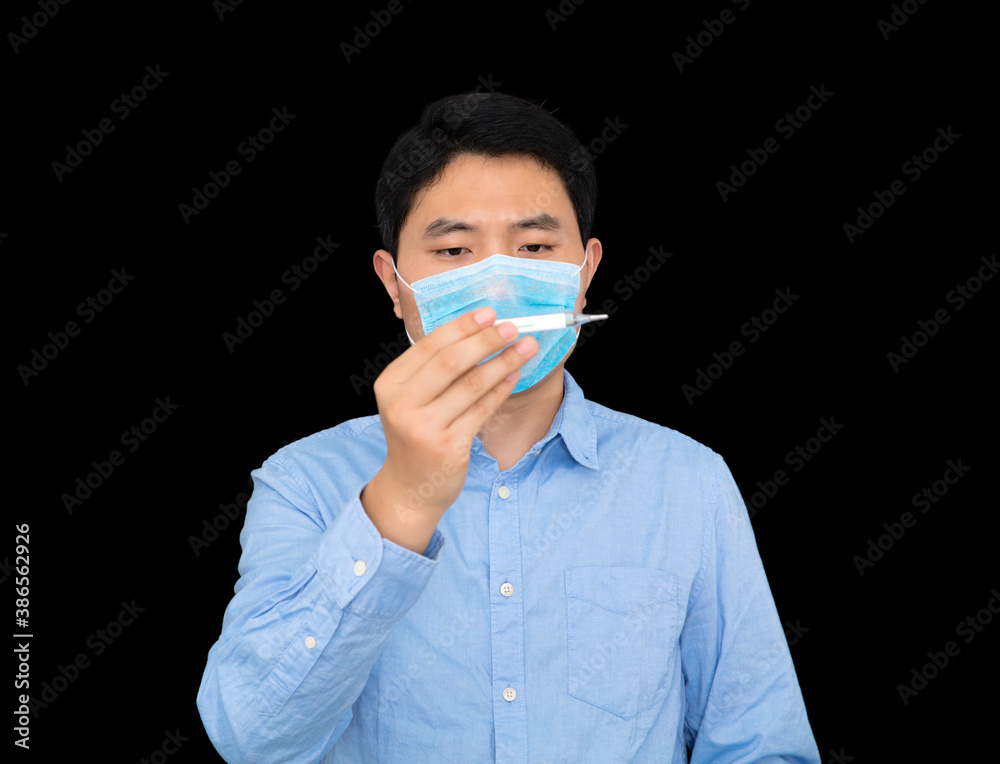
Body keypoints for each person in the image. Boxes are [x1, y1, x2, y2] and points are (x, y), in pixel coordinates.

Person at [197, 91, 821, 763]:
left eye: (534, 246)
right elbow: (253, 738)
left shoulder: (688, 483)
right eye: (454, 249)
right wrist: (402, 503)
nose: (497, 287)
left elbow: (761, 746)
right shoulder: (303, 483)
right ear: (393, 284)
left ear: (586, 272)